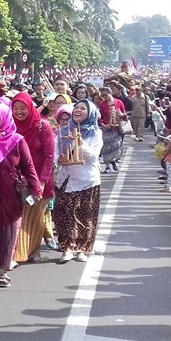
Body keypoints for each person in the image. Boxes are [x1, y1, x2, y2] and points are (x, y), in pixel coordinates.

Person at [0, 103, 41, 288]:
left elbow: (28, 166)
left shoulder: (18, 140)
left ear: (5, 116)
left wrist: (35, 190)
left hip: (12, 196)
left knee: (10, 234)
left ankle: (3, 271)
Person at [53, 100, 103, 263]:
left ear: (91, 113)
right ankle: (67, 248)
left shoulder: (96, 133)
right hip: (66, 178)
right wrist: (59, 159)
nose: (78, 110)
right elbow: (55, 153)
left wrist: (79, 141)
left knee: (85, 215)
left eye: (83, 108)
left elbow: (94, 156)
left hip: (87, 179)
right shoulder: (62, 131)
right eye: (77, 107)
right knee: (65, 213)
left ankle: (81, 249)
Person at [11, 94, 56, 265]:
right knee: (21, 217)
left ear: (30, 107)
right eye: (15, 109)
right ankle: (20, 250)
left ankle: (34, 250)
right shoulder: (11, 126)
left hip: (40, 179)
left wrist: (42, 181)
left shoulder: (42, 126)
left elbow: (49, 156)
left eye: (23, 108)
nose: (19, 112)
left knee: (35, 217)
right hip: (19, 181)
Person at [97, 87, 126, 173]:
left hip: (116, 128)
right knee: (106, 147)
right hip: (106, 128)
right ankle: (107, 166)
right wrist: (104, 125)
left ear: (110, 93)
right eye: (102, 95)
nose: (104, 97)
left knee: (116, 145)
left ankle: (113, 160)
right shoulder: (101, 104)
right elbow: (99, 117)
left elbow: (124, 114)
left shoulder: (118, 102)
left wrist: (121, 114)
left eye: (105, 95)